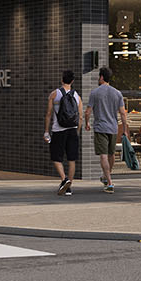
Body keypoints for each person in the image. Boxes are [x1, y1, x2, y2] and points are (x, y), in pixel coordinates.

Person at [85, 67, 130, 192]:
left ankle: (109, 182)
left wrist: (87, 122)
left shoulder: (95, 93)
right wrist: (125, 129)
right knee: (111, 154)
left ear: (101, 77)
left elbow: (88, 111)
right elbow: (123, 113)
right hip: (113, 128)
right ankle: (106, 176)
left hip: (100, 128)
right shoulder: (117, 93)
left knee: (103, 155)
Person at [45, 68, 82, 196]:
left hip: (58, 129)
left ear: (62, 80)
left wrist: (46, 131)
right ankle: (69, 187)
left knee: (56, 157)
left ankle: (64, 178)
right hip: (72, 130)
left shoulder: (54, 94)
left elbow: (49, 114)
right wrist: (77, 131)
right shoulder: (77, 96)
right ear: (72, 81)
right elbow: (80, 117)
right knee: (72, 159)